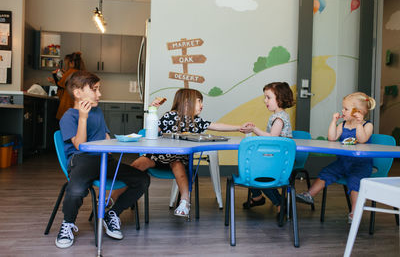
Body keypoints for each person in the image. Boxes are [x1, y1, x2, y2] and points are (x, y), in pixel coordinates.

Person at [55, 71, 150, 249]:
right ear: (77, 93)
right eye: (95, 90)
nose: (99, 94)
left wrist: (123, 142)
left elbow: (105, 137)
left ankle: (112, 214)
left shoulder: (97, 112)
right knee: (75, 191)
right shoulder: (69, 116)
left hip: (105, 160)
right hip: (81, 161)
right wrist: (83, 118)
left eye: (99, 89)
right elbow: (80, 145)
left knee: (142, 179)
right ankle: (67, 224)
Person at [130, 88, 252, 217]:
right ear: (187, 102)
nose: (202, 105)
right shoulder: (169, 116)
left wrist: (239, 128)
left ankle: (185, 201)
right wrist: (151, 111)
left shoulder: (196, 121)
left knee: (178, 165)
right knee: (137, 164)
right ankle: (115, 198)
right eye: (199, 101)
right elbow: (152, 131)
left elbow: (217, 126)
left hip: (177, 160)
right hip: (156, 157)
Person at [296, 92, 376, 223]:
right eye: (343, 108)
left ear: (358, 112)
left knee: (354, 182)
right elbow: (332, 138)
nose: (342, 111)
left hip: (361, 164)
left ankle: (355, 212)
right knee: (326, 172)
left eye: (346, 109)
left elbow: (362, 140)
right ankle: (309, 195)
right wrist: (334, 121)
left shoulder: (367, 125)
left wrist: (359, 124)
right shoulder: (343, 124)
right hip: (343, 162)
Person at [240, 82, 294, 220]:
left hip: (279, 161)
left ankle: (280, 203)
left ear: (280, 99)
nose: (265, 101)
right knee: (254, 169)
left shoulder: (279, 118)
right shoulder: (279, 115)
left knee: (260, 176)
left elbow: (272, 138)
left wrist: (254, 129)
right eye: (265, 97)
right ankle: (257, 197)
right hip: (277, 159)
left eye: (268, 97)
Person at [47, 52, 86, 120]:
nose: (66, 66)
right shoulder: (82, 73)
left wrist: (54, 75)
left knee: (65, 126)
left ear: (72, 63)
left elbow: (60, 85)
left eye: (66, 63)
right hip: (78, 107)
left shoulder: (71, 71)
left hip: (67, 105)